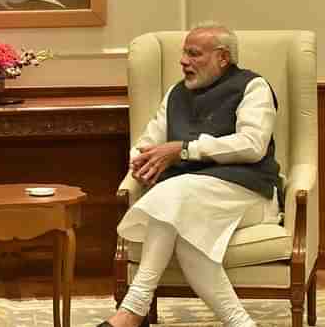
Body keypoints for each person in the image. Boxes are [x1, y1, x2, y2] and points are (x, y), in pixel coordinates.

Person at [98, 23, 282, 327]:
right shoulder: (175, 94)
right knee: (180, 215)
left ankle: (132, 310)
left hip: (248, 193)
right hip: (189, 198)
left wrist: (184, 150)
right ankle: (241, 324)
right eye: (184, 53)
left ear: (222, 58)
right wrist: (141, 162)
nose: (183, 60)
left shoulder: (253, 87)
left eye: (194, 54)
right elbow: (147, 143)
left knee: (173, 197)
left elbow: (253, 145)